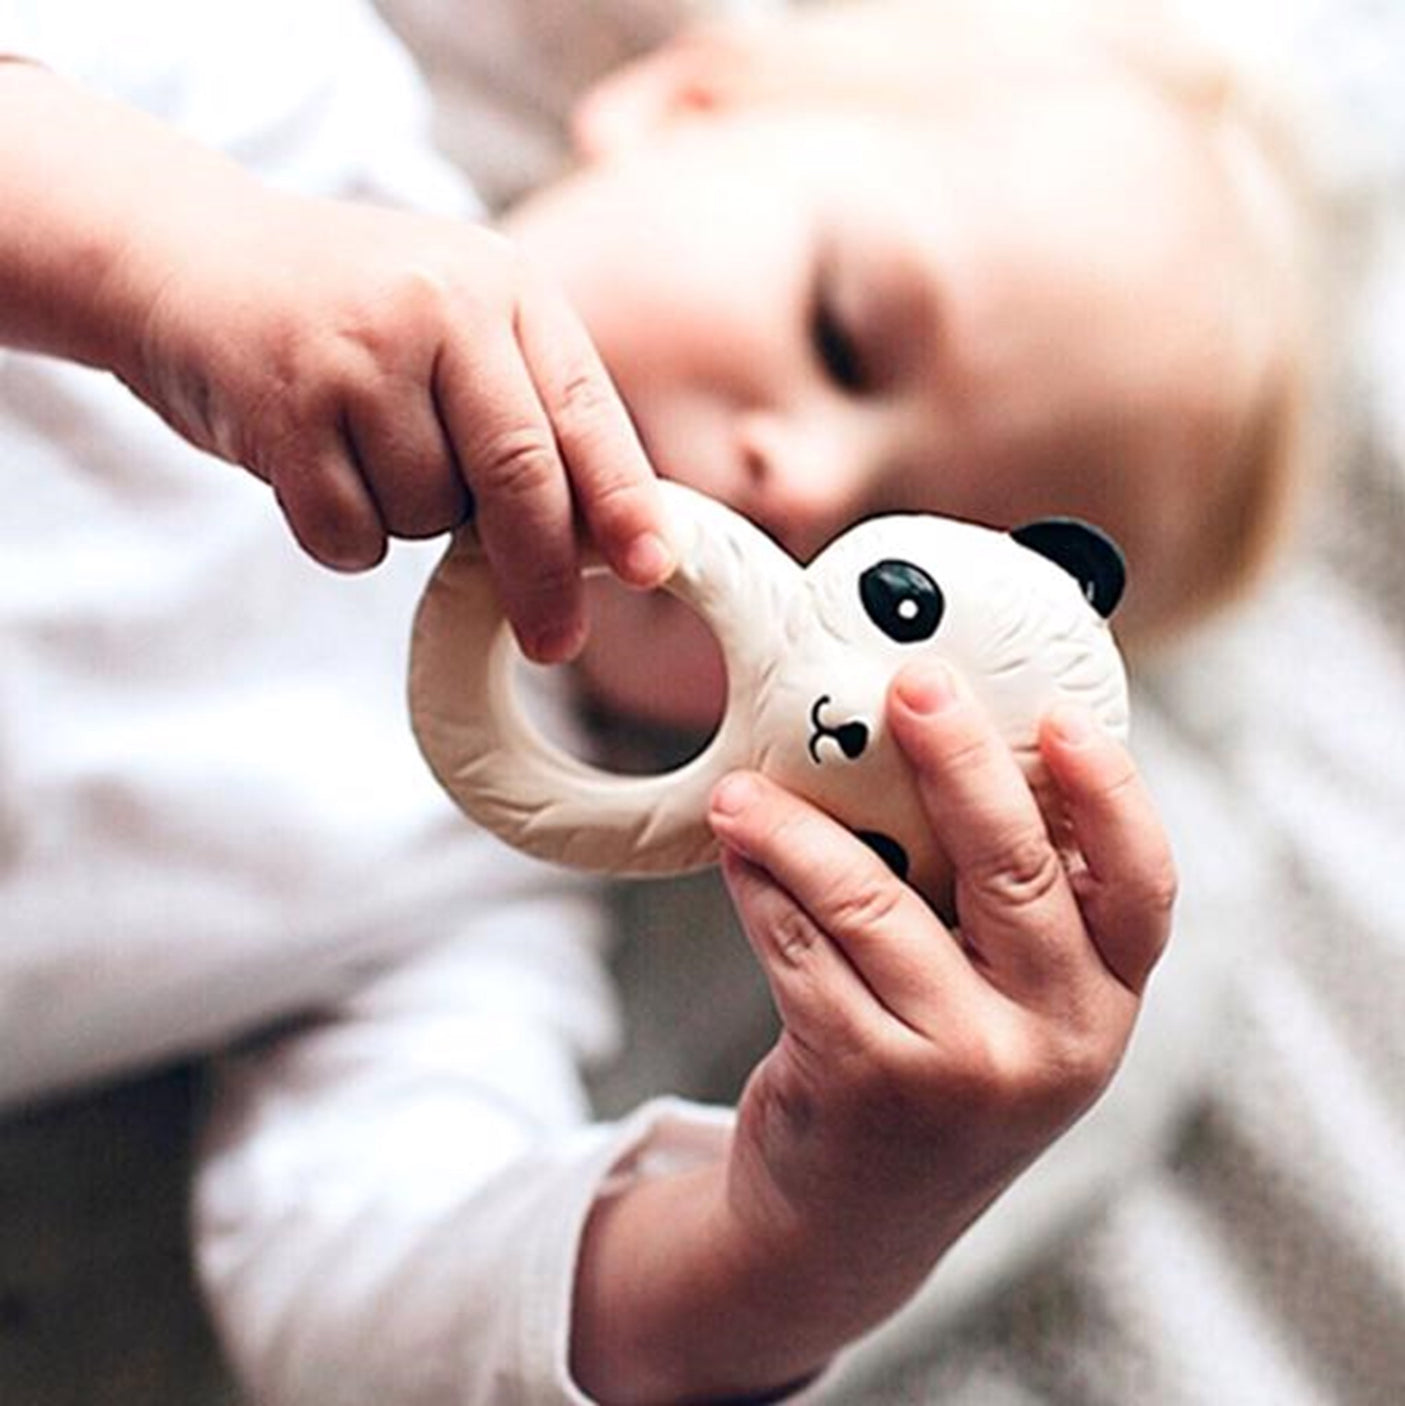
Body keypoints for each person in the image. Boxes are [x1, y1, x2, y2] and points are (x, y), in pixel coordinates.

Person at [0, 0, 1316, 1401]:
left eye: (900, 551)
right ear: (677, 110)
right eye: (842, 336)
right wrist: (164, 253)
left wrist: (813, 1231)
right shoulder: (263, 106)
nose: (803, 487)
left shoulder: (482, 889)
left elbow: (374, 1321)